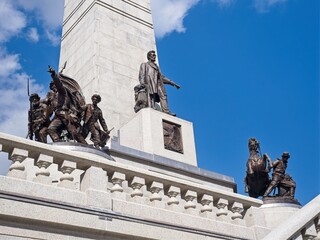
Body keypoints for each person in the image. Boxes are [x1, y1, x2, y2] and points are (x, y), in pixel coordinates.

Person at [47, 66, 87, 144]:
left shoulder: (62, 92)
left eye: (54, 86)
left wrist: (54, 75)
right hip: (58, 116)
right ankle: (58, 144)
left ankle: (85, 144)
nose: (53, 88)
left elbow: (59, 84)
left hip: (66, 115)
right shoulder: (53, 97)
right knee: (50, 129)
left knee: (74, 133)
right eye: (52, 87)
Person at [138, 50, 180, 116]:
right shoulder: (145, 65)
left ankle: (166, 112)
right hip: (150, 83)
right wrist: (142, 84)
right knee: (151, 96)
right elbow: (141, 75)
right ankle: (151, 107)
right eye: (153, 55)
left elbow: (162, 77)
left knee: (163, 96)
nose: (154, 56)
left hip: (158, 84)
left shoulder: (157, 67)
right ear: (149, 56)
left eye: (155, 55)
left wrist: (173, 83)